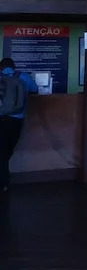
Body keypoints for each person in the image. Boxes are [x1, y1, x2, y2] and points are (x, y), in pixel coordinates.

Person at [0, 57, 39, 193]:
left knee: (2, 151)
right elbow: (35, 89)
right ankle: (3, 182)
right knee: (7, 150)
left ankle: (3, 182)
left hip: (1, 118)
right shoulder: (24, 77)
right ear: (14, 67)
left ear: (1, 67)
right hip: (16, 120)